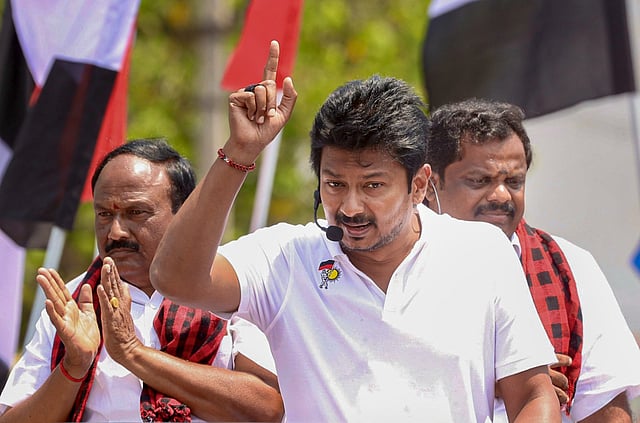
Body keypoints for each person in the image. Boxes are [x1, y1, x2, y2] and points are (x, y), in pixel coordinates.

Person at [150, 40, 561, 422]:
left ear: (419, 185)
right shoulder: (286, 258)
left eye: (373, 186)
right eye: (334, 184)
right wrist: (239, 152)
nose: (349, 207)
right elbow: (174, 279)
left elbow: (532, 395)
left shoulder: (482, 253)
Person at [0, 139, 284, 422]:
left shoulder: (230, 285)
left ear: (183, 213)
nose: (115, 232)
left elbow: (265, 410)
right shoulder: (75, 303)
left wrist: (133, 353)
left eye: (136, 213)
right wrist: (74, 366)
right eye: (104, 215)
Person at [423, 98, 640, 422]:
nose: (500, 196)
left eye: (514, 182)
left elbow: (604, 406)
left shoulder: (569, 266)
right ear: (429, 185)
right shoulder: (391, 268)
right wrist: (502, 381)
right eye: (479, 181)